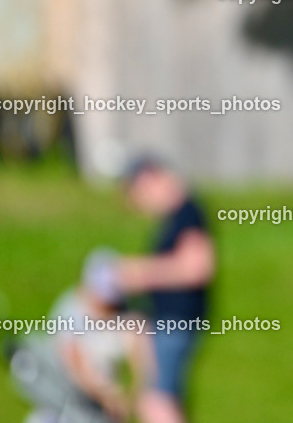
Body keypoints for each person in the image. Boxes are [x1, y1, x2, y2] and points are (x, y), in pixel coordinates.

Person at [117, 157, 215, 423]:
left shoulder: (187, 212)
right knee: (163, 397)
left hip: (176, 321)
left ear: (151, 179)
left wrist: (140, 274)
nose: (142, 204)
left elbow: (198, 266)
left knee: (156, 400)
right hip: (170, 321)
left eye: (139, 194)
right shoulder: (180, 215)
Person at [9, 249, 153, 423]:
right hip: (69, 393)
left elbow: (140, 344)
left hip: (102, 396)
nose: (106, 304)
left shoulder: (126, 314)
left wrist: (138, 390)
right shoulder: (70, 311)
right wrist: (106, 394)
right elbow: (74, 360)